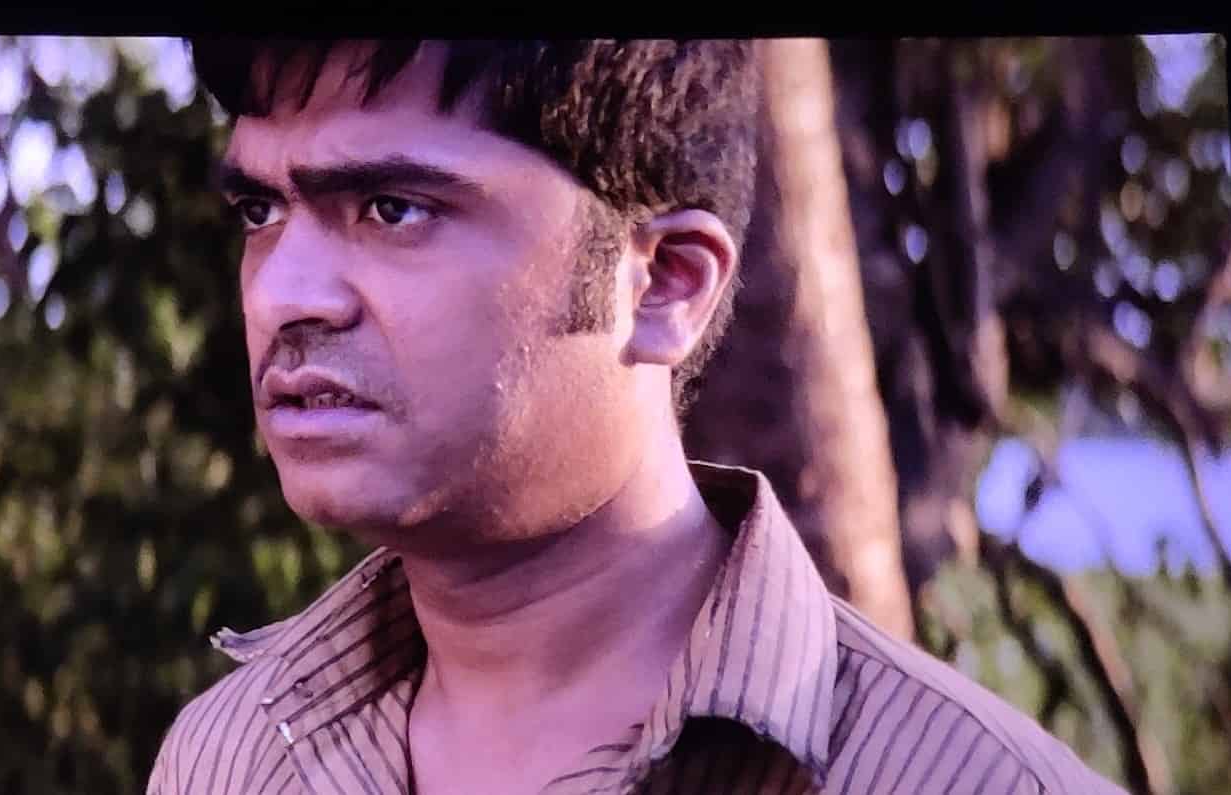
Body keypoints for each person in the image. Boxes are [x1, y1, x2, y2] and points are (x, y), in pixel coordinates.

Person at [146, 37, 1125, 795]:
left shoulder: (963, 781)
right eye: (259, 212)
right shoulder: (229, 756)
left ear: (665, 284)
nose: (283, 295)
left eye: (392, 208)